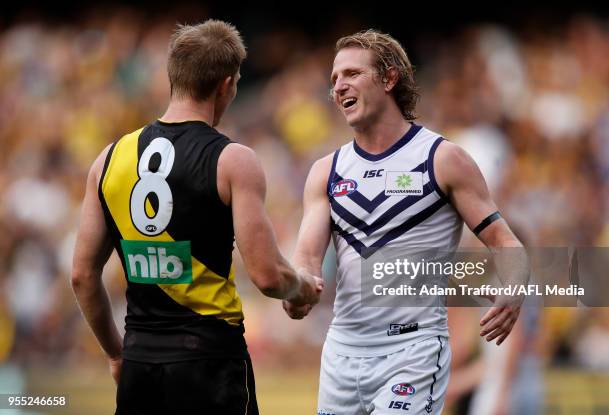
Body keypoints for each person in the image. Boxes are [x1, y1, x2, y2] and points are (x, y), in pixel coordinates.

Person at [71, 20, 322, 415]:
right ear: (226, 85)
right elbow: (268, 276)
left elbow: (83, 276)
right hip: (210, 362)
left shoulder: (109, 158)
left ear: (174, 77)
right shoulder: (233, 160)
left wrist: (117, 354)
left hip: (140, 365)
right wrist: (303, 288)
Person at [283, 29, 528, 415]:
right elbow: (308, 259)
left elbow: (506, 241)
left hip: (412, 351)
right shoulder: (325, 171)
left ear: (389, 78)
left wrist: (513, 289)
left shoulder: (443, 159)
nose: (338, 86)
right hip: (342, 352)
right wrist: (298, 288)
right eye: (334, 80)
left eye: (351, 73)